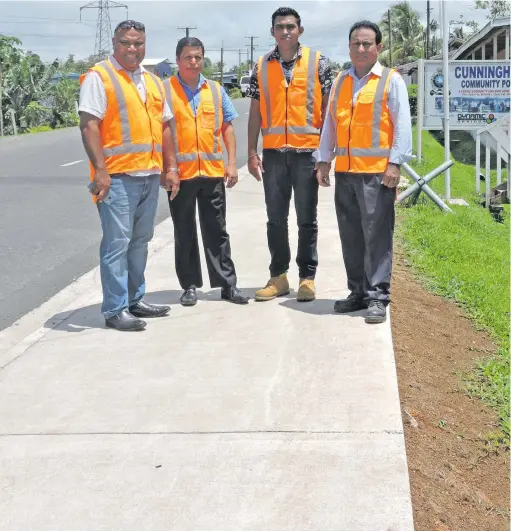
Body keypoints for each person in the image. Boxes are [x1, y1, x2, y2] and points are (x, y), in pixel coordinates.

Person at [79, 20, 179, 331]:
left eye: (138, 43)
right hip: (117, 178)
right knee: (117, 243)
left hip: (149, 174)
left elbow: (164, 127)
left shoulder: (151, 80)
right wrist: (102, 171)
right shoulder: (100, 77)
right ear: (114, 42)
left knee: (140, 241)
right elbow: (89, 125)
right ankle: (115, 309)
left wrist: (171, 167)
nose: (132, 49)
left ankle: (135, 299)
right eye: (126, 42)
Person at [315, 20, 412, 324]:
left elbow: (402, 125)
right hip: (345, 173)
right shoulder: (341, 82)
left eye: (367, 43)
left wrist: (395, 163)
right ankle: (357, 292)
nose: (361, 48)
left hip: (376, 173)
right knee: (351, 235)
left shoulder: (390, 80)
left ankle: (378, 297)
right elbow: (330, 124)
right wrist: (323, 159)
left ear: (378, 47)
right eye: (356, 43)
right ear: (349, 47)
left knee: (377, 236)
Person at [247, 6, 332, 302]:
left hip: (306, 155)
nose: (285, 31)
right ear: (272, 32)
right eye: (280, 26)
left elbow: (328, 112)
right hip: (273, 155)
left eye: (291, 26)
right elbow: (256, 112)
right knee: (275, 219)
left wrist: (325, 157)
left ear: (300, 30)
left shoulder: (319, 63)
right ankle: (278, 276)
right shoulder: (260, 66)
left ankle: (307, 278)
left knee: (307, 219)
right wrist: (251, 152)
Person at [162, 37, 249, 307]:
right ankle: (189, 285)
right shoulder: (164, 90)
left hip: (211, 173)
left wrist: (232, 162)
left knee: (217, 231)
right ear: (178, 59)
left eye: (198, 57)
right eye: (188, 57)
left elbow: (227, 128)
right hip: (180, 177)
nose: (194, 62)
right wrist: (169, 169)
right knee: (184, 231)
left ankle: (227, 285)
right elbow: (161, 133)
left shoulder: (215, 89)